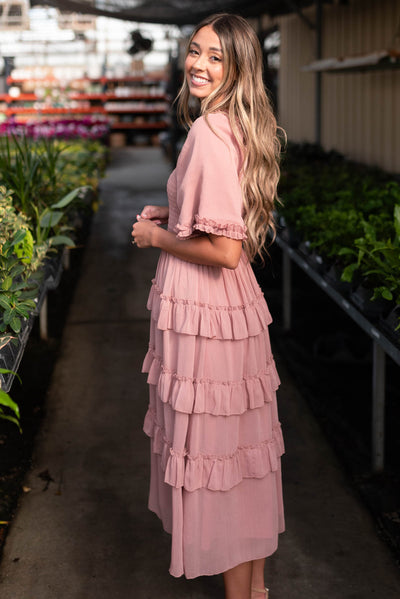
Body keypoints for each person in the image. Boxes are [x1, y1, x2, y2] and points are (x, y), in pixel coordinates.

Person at [131, 13, 285, 599]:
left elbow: (223, 249)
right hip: (225, 314)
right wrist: (172, 215)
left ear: (240, 68)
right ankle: (253, 593)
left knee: (218, 463)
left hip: (207, 313)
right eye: (196, 51)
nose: (199, 64)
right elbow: (222, 216)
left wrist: (155, 238)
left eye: (216, 57)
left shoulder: (207, 133)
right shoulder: (233, 125)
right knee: (239, 461)